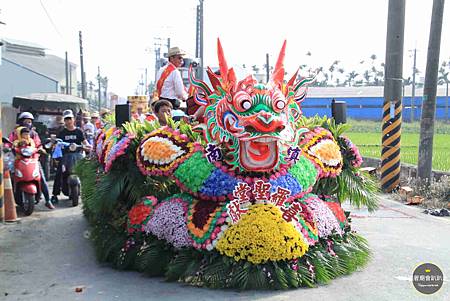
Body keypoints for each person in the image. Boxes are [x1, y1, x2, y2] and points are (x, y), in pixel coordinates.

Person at [7, 112, 54, 209]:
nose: (28, 123)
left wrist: (40, 148)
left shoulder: (34, 134)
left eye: (29, 121)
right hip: (18, 160)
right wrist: (7, 147)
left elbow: (38, 144)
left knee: (42, 178)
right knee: (9, 177)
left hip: (33, 160)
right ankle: (8, 200)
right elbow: (9, 142)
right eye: (26, 121)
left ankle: (48, 200)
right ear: (21, 122)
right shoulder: (15, 133)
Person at [51, 109, 91, 204]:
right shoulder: (62, 132)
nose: (68, 121)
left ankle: (89, 194)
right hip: (66, 157)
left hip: (78, 156)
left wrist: (88, 146)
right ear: (64, 121)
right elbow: (57, 143)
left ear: (73, 119)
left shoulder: (79, 131)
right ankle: (55, 195)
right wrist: (55, 144)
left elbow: (85, 142)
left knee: (87, 172)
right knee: (59, 173)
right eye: (66, 119)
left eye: (70, 119)